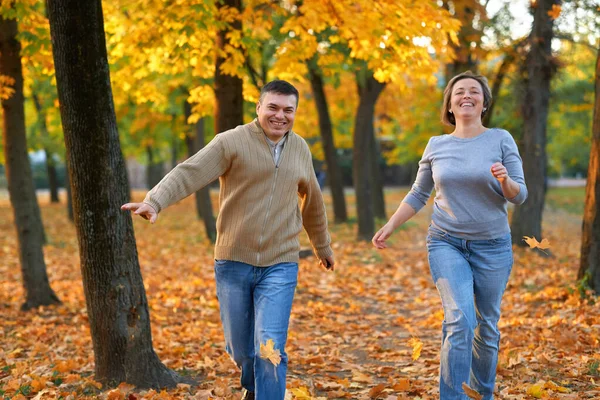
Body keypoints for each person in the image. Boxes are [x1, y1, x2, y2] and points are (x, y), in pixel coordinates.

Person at [122, 80, 335, 400]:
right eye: (273, 108)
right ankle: (253, 385)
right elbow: (190, 171)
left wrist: (322, 247)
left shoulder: (300, 148)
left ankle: (267, 392)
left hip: (281, 263)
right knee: (240, 348)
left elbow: (313, 202)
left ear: (295, 113)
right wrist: (154, 201)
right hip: (233, 261)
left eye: (288, 110)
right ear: (259, 108)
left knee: (270, 347)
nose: (280, 116)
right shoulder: (232, 141)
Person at [372, 71, 527, 400]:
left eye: (474, 91)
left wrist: (504, 182)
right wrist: (390, 225)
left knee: (486, 328)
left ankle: (480, 394)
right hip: (446, 242)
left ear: (484, 102)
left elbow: (519, 195)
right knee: (459, 320)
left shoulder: (501, 139)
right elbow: (418, 194)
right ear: (450, 104)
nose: (467, 95)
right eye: (460, 92)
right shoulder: (436, 145)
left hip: (493, 247)